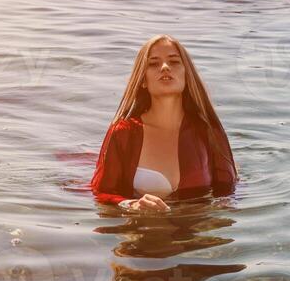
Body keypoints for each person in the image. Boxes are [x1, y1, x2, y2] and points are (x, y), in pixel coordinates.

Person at [89, 34, 238, 214]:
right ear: (143, 79)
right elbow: (101, 193)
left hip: (196, 234)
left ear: (186, 74)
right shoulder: (123, 132)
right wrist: (130, 205)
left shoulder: (208, 130)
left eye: (174, 62)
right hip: (140, 232)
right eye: (153, 64)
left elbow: (229, 190)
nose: (165, 67)